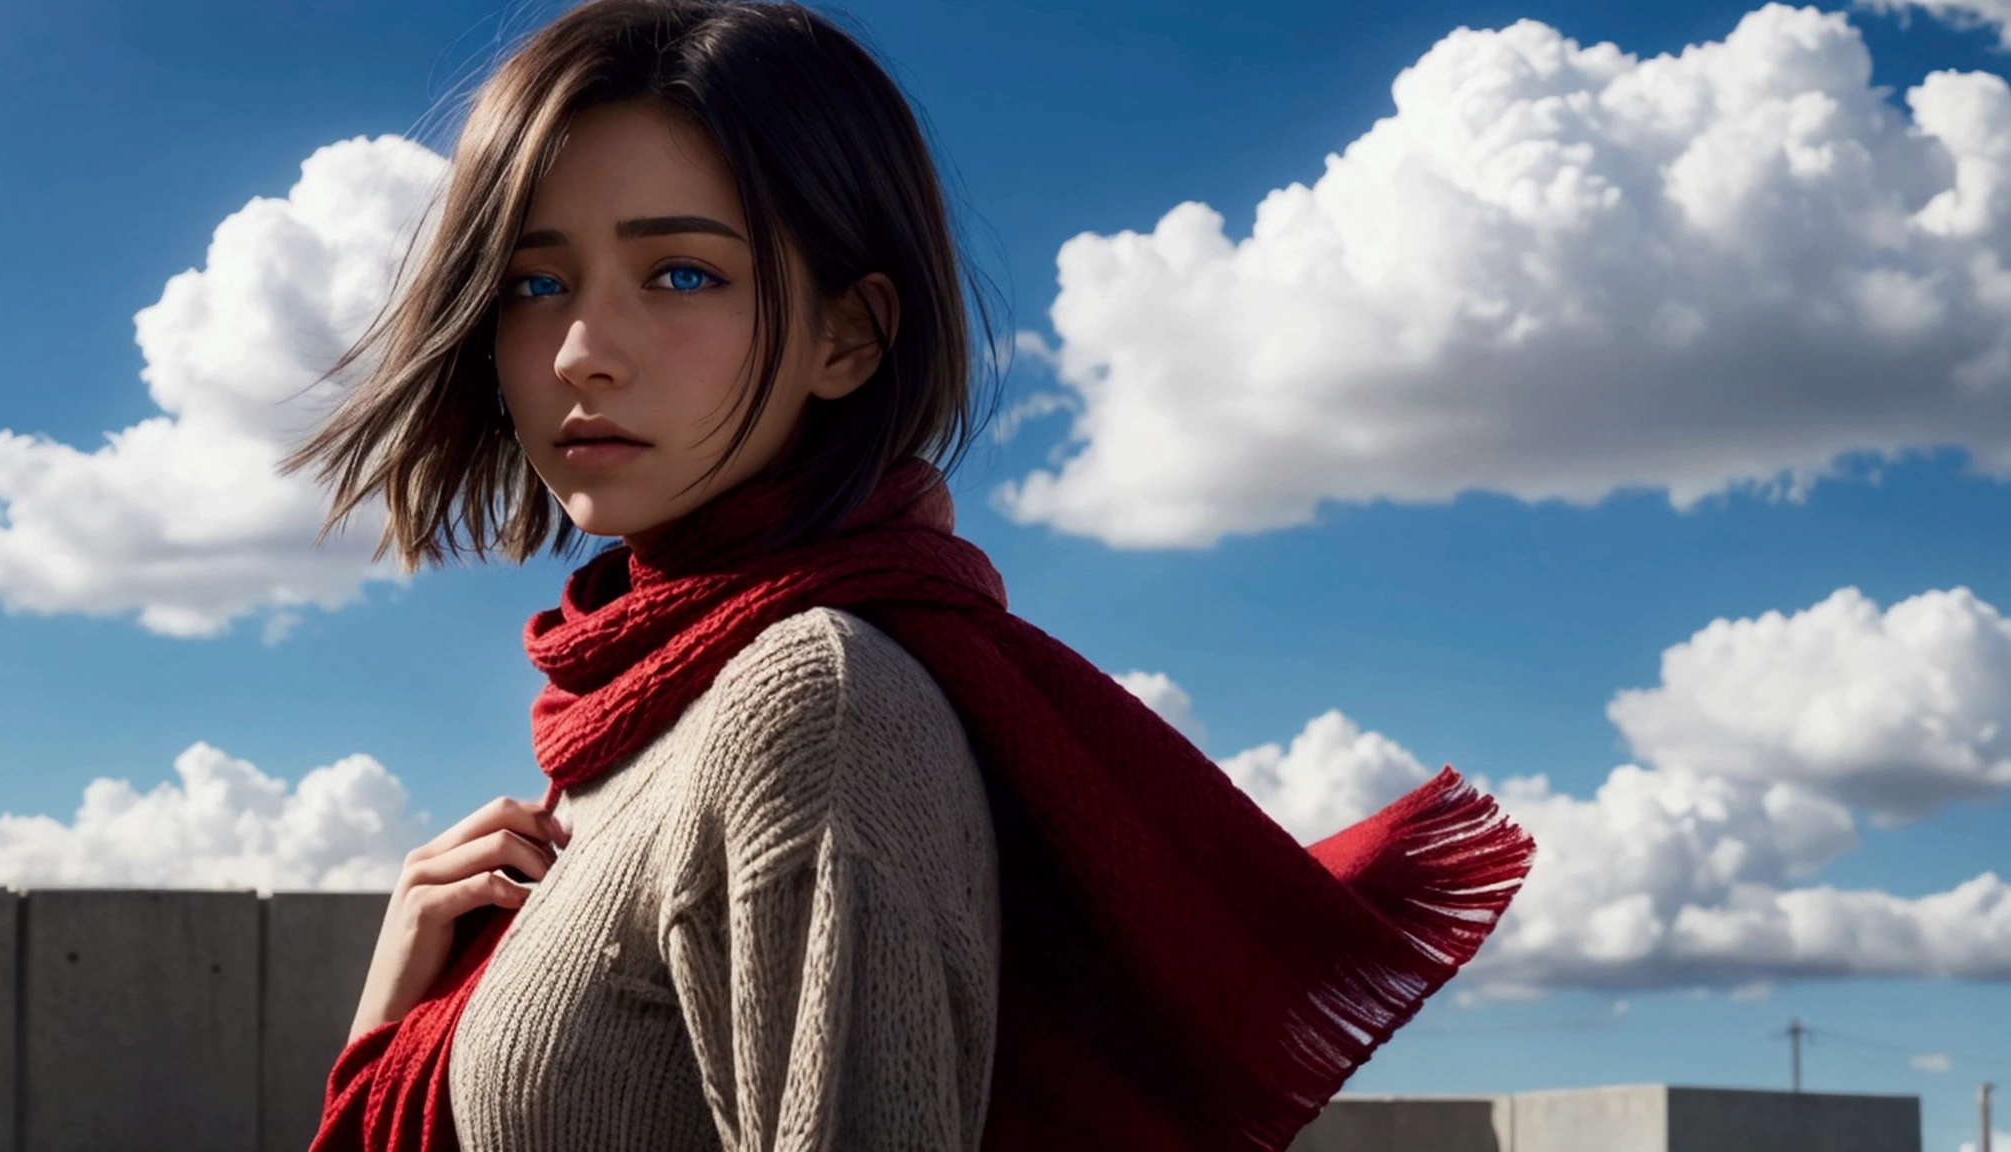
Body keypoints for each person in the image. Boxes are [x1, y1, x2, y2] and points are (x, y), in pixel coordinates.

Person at [280, 1, 1536, 1150]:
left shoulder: (814, 704)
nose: (579, 353)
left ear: (849, 335)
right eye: (533, 284)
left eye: (680, 275)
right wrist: (394, 1021)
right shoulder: (625, 729)